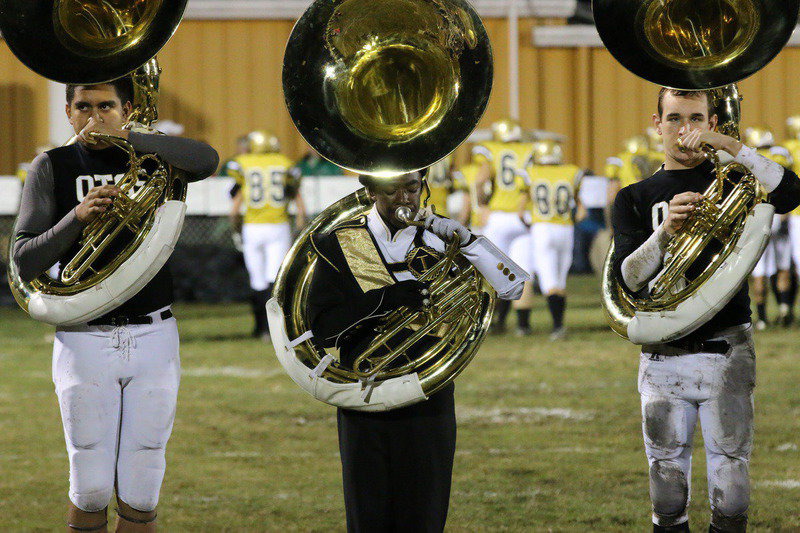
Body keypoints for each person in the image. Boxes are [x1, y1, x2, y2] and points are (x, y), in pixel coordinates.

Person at [12, 77, 219, 532]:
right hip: (84, 336)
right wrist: (76, 217)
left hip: (153, 332)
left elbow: (207, 159)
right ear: (68, 112)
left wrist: (131, 138)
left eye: (106, 106)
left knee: (143, 486)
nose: (94, 117)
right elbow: (23, 260)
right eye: (83, 107)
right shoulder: (53, 164)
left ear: (126, 110)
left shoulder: (150, 157)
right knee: (89, 487)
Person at [611, 87, 800, 532]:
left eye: (696, 119)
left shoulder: (735, 181)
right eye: (674, 118)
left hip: (728, 346)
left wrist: (733, 148)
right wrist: (664, 234)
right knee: (667, 491)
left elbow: (791, 192)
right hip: (662, 353)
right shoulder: (634, 197)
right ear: (657, 124)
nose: (685, 130)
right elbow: (629, 279)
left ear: (712, 124)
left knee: (731, 489)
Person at [306, 170, 525, 532]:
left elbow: (512, 288)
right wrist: (382, 301)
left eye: (411, 188)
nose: (405, 199)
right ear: (371, 189)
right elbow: (323, 328)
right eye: (391, 190)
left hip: (428, 394)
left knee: (424, 515)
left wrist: (468, 241)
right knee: (368, 517)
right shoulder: (342, 241)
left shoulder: (441, 242)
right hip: (364, 395)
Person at [228, 130, 306, 340]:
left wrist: (235, 226)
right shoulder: (284, 163)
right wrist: (300, 220)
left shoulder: (243, 163)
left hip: (252, 227)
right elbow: (296, 195)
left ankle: (260, 328)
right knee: (276, 278)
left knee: (257, 279)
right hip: (278, 225)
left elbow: (235, 206)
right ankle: (276, 329)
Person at [472, 119, 535, 332]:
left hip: (498, 216)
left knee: (494, 272)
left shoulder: (491, 149)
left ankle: (491, 322)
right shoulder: (531, 150)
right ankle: (523, 325)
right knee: (522, 271)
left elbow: (480, 180)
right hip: (524, 216)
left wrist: (482, 205)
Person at [521, 138, 584, 340]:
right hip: (565, 229)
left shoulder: (531, 172)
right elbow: (581, 210)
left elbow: (521, 210)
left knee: (549, 281)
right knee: (560, 279)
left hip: (543, 227)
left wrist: (529, 224)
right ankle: (559, 324)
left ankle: (557, 327)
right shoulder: (572, 171)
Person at [742, 127, 795, 328]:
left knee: (759, 271)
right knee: (783, 266)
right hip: (779, 214)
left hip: (758, 217)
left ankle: (762, 318)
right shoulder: (779, 154)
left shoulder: (748, 158)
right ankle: (784, 310)